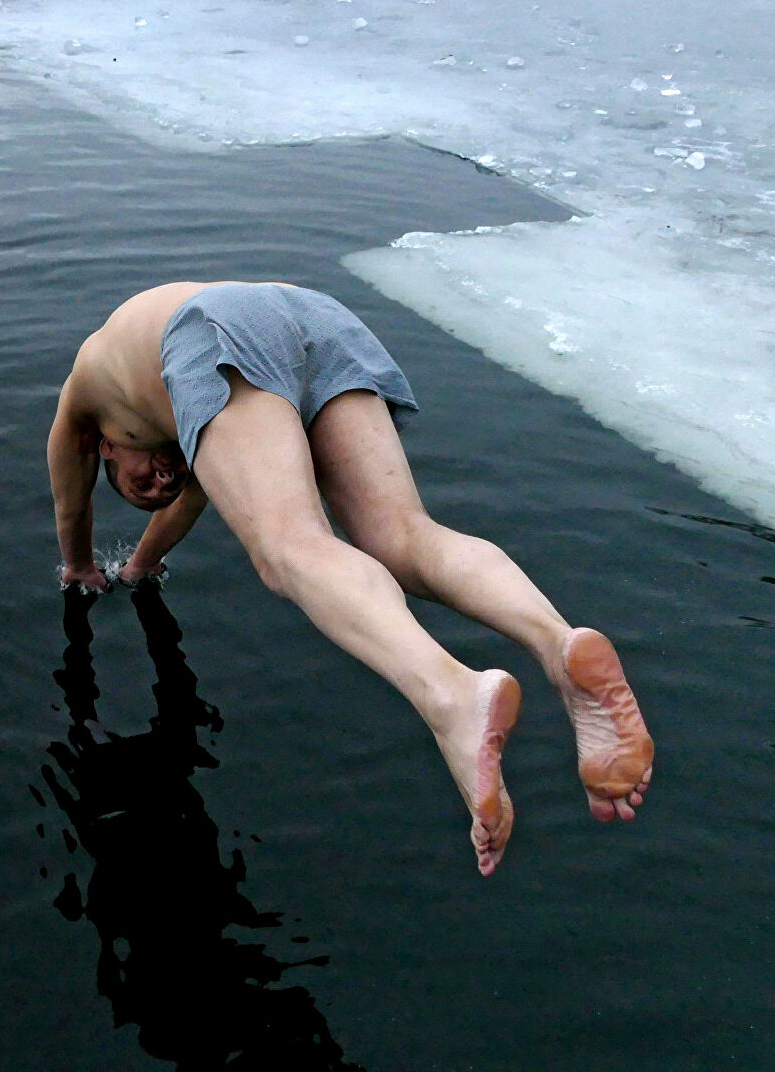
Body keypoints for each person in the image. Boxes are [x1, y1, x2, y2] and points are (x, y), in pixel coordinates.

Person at [46, 281, 654, 876]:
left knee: (290, 547)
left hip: (216, 324)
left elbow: (72, 508)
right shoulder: (193, 428)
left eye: (140, 482)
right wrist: (140, 567)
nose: (160, 479)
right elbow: (193, 498)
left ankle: (452, 697)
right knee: (402, 537)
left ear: (104, 449)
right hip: (316, 317)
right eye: (159, 487)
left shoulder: (82, 404)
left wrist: (80, 568)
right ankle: (559, 645)